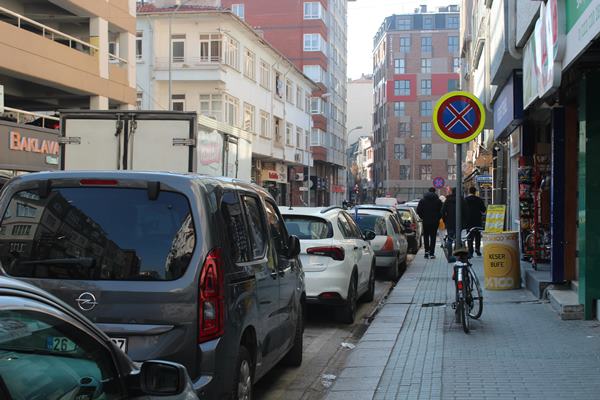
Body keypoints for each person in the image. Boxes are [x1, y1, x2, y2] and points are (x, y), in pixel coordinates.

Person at [416, 187, 442, 259]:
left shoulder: (422, 200)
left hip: (425, 221)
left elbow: (418, 210)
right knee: (433, 237)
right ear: (434, 192)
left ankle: (426, 252)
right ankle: (432, 253)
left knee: (426, 236)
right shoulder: (438, 201)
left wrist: (423, 217)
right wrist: (437, 218)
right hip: (434, 222)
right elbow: (441, 211)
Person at [465, 186, 486, 257]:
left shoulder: (466, 199)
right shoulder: (479, 199)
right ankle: (477, 249)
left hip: (468, 220)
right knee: (477, 235)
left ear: (469, 192)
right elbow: (483, 209)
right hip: (477, 219)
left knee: (469, 235)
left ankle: (470, 251)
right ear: (475, 192)